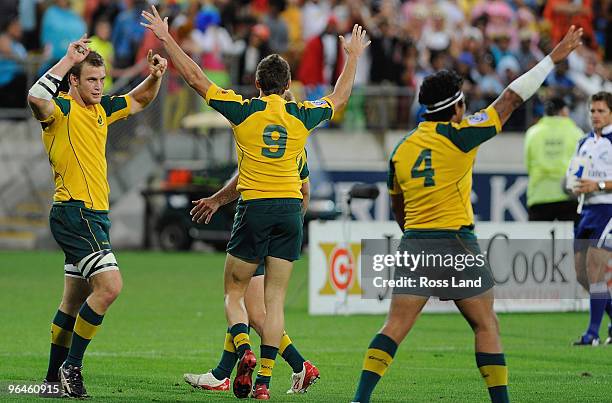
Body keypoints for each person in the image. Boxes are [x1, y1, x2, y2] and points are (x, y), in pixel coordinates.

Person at [141, 6, 369, 399]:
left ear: (257, 84)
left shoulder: (243, 111)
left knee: (234, 293)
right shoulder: (301, 116)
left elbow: (196, 78)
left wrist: (166, 38)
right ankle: (263, 383)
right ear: (288, 84)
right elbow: (340, 96)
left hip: (255, 208)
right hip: (289, 211)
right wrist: (352, 58)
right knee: (274, 301)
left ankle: (242, 352)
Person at [352, 26, 583, 403]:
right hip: (457, 242)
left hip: (416, 244)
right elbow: (509, 99)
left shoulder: (402, 149)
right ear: (456, 107)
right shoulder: (461, 135)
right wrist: (551, 60)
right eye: (464, 105)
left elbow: (399, 207)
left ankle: (359, 400)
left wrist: (413, 235)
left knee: (393, 326)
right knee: (486, 323)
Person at [27, 37, 167, 398]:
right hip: (75, 213)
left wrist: (154, 77)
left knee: (72, 302)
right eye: (91, 80)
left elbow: (139, 99)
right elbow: (35, 99)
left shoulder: (101, 109)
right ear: (73, 81)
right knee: (110, 286)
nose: (99, 86)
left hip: (94, 216)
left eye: (102, 80)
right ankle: (71, 367)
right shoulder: (60, 111)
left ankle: (50, 382)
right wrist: (65, 60)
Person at [184, 148, 319, 394]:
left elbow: (245, 178)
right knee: (254, 308)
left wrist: (216, 200)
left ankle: (291, 364)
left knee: (240, 300)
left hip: (254, 219)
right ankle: (224, 374)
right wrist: (294, 227)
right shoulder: (296, 139)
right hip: (286, 221)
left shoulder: (254, 128)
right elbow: (305, 190)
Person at [569, 91, 612, 346]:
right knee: (581, 275)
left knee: (595, 270)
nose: (595, 116)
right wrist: (575, 185)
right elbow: (573, 174)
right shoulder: (584, 141)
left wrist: (599, 185)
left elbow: (599, 183)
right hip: (586, 211)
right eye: (592, 111)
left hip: (608, 210)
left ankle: (592, 334)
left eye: (601, 111)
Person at [525, 97, 583, 222]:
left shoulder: (533, 133)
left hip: (539, 195)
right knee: (570, 240)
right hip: (568, 195)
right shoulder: (576, 132)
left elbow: (529, 165)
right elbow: (581, 165)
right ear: (564, 111)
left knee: (538, 240)